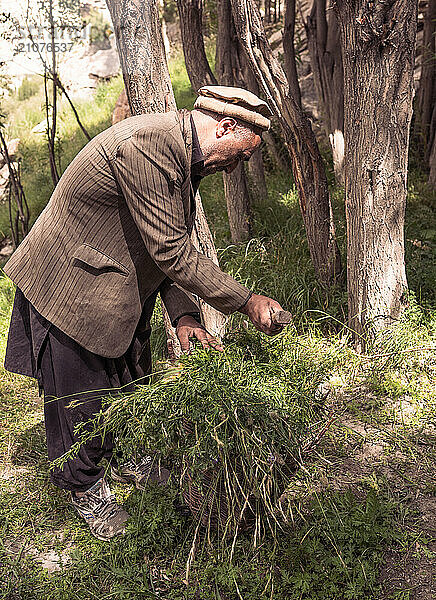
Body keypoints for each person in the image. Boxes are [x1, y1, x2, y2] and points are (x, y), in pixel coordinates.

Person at [3, 86, 285, 540]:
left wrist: (185, 316)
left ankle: (124, 455)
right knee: (83, 398)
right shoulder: (147, 147)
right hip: (69, 281)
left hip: (110, 280)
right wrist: (246, 301)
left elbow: (167, 246)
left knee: (130, 380)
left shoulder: (180, 156)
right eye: (241, 155)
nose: (237, 166)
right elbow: (171, 251)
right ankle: (85, 490)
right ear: (226, 128)